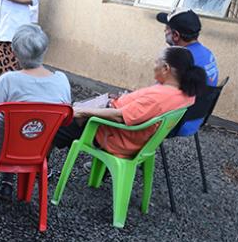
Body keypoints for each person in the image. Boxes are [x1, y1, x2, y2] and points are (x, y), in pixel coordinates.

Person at [0, 24, 71, 200]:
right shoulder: (61, 80)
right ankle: (14, 186)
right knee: (16, 128)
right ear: (45, 49)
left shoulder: (9, 80)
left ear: (14, 52)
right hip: (37, 148)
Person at [52, 46, 205, 158]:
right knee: (74, 110)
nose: (153, 66)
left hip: (113, 135)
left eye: (156, 62)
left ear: (166, 68)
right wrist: (125, 99)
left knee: (55, 125)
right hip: (135, 138)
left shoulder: (159, 97)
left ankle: (40, 167)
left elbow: (120, 117)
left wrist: (82, 111)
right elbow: (142, 110)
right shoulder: (186, 94)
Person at [156, 9, 218, 136]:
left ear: (176, 35)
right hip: (195, 118)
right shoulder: (207, 54)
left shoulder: (180, 60)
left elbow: (155, 96)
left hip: (174, 123)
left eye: (167, 28)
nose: (164, 31)